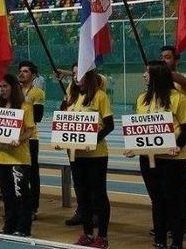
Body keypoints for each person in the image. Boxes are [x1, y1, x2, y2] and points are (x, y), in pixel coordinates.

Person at [126, 61, 186, 249]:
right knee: (157, 200)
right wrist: (134, 147)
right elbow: (140, 129)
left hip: (173, 160)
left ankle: (177, 242)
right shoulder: (142, 99)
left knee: (174, 201)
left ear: (158, 75)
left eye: (147, 72)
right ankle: (159, 240)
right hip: (148, 159)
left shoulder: (178, 98)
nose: (144, 76)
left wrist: (178, 146)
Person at [66, 68, 114, 249]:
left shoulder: (100, 96)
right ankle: (87, 233)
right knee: (82, 195)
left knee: (98, 195)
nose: (76, 77)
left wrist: (92, 139)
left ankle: (102, 236)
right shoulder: (71, 98)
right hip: (76, 155)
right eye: (73, 74)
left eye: (80, 73)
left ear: (89, 75)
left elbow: (109, 126)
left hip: (96, 155)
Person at [0, 73, 35, 236]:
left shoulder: (25, 106)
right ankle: (9, 225)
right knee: (7, 195)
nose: (1, 89)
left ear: (13, 87)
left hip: (19, 159)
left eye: (5, 86)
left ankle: (24, 228)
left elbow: (30, 130)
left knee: (20, 194)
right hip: (1, 158)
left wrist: (20, 139)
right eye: (0, 86)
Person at [19, 60, 45, 218]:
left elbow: (38, 116)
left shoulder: (37, 93)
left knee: (32, 174)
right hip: (15, 138)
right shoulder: (14, 90)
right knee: (17, 173)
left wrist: (18, 117)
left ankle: (33, 207)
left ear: (33, 75)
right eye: (20, 71)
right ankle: (19, 206)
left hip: (31, 138)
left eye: (26, 71)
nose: (21, 73)